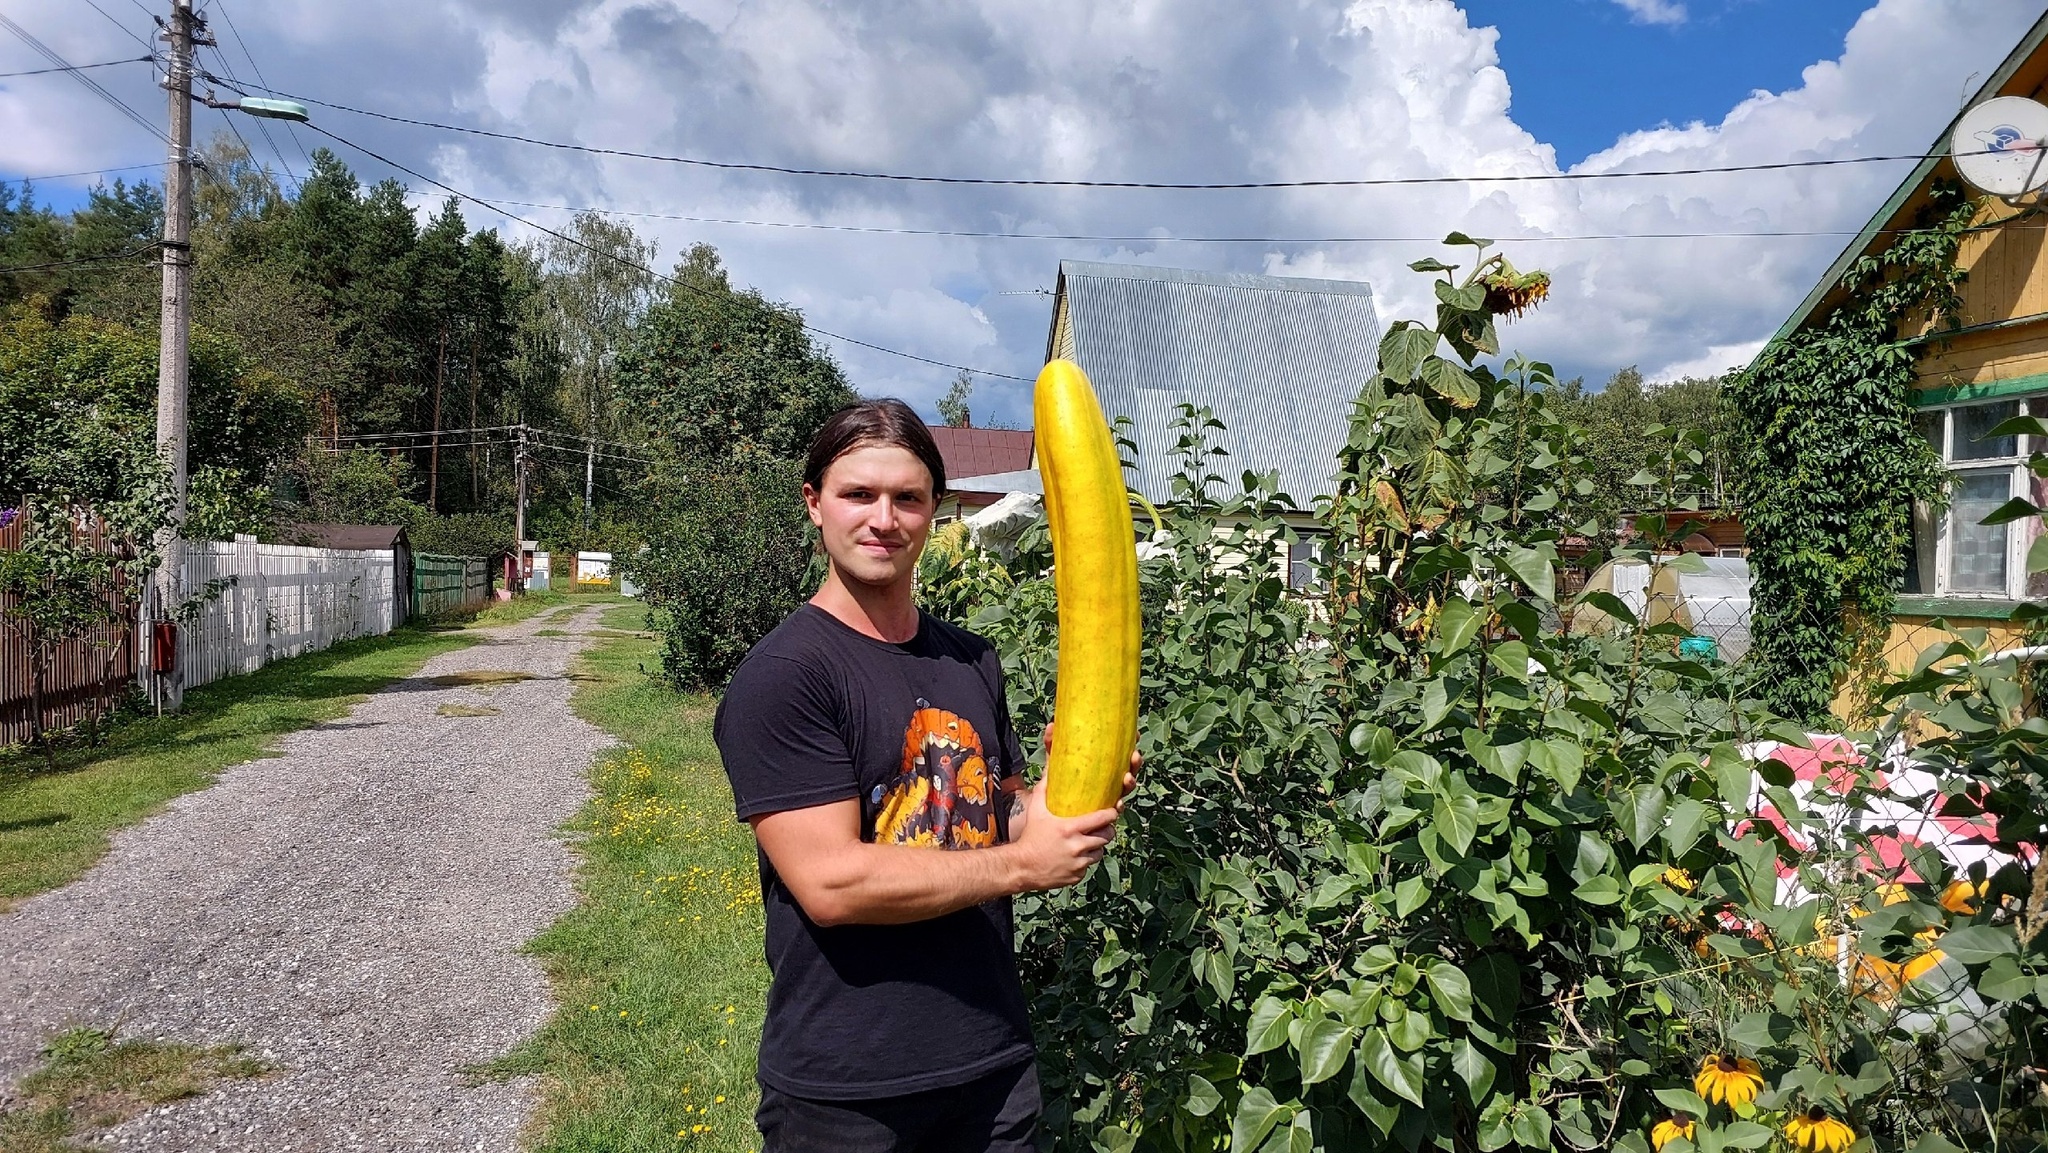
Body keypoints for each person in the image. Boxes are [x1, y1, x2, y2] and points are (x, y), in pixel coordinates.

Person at [713, 398, 1138, 1153]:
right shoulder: (784, 677)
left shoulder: (971, 658)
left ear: (934, 510)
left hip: (991, 1065)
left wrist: (1066, 793)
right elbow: (831, 882)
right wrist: (1024, 865)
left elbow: (995, 817)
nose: (885, 518)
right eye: (859, 494)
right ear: (814, 503)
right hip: (848, 1092)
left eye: (908, 497)